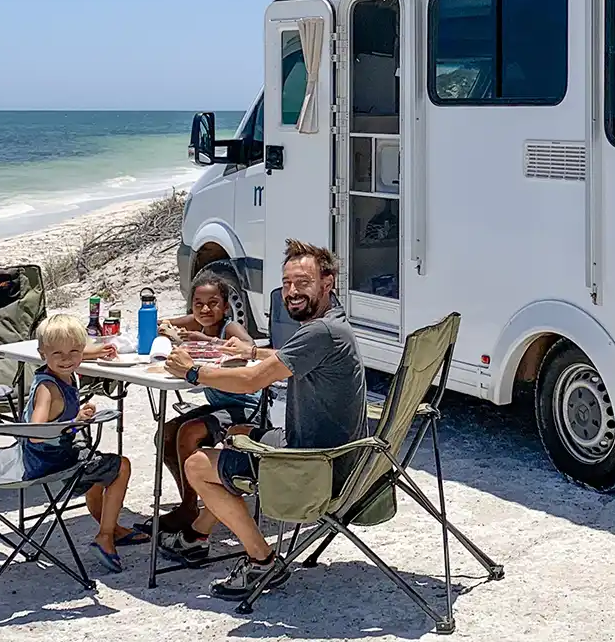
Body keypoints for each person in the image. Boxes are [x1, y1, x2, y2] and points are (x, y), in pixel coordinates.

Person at [160, 239, 366, 599]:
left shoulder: (321, 332)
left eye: (302, 282)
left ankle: (261, 560)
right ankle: (196, 535)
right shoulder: (332, 325)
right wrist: (254, 350)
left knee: (197, 464)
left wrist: (193, 372)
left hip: (312, 465)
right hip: (342, 454)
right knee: (237, 435)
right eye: (286, 283)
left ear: (327, 282)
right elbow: (288, 357)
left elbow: (251, 381)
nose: (291, 292)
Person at [139, 275, 269, 541]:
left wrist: (206, 341)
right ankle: (188, 503)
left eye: (213, 303)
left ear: (225, 307)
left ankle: (189, 509)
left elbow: (250, 349)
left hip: (245, 406)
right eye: (198, 304)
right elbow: (163, 323)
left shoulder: (228, 329)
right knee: (166, 434)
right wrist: (167, 329)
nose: (205, 309)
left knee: (188, 432)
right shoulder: (197, 321)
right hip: (219, 404)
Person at [22, 313, 147, 574]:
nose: (67, 359)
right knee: (120, 466)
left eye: (74, 352)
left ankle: (111, 527)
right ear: (42, 353)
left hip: (47, 455)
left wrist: (98, 351)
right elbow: (35, 432)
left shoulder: (58, 369)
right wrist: (75, 420)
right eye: (58, 353)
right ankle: (105, 537)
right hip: (52, 462)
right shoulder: (49, 389)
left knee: (98, 465)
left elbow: (71, 354)